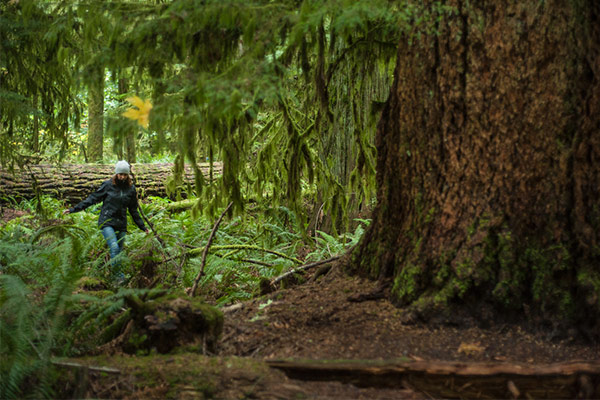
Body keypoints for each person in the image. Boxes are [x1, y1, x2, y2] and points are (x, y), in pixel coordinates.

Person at [63, 160, 149, 283]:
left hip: (121, 224)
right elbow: (92, 199)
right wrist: (74, 209)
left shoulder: (131, 189)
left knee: (118, 252)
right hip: (107, 222)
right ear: (116, 174)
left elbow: (133, 210)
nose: (122, 177)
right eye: (120, 174)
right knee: (114, 248)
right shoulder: (108, 185)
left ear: (128, 175)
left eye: (125, 175)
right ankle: (119, 278)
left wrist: (142, 226)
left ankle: (112, 276)